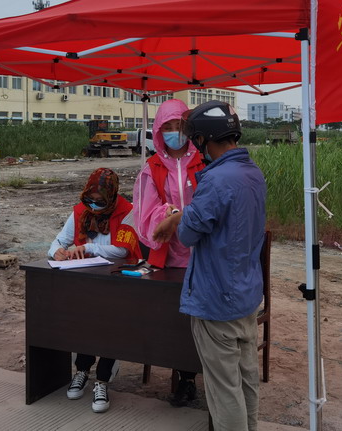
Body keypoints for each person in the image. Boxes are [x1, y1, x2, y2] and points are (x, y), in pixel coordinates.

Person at [152, 100, 266, 431]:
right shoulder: (252, 173)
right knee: (246, 379)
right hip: (246, 294)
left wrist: (176, 217)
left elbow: (189, 235)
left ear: (203, 139)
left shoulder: (215, 180)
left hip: (216, 300)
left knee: (223, 389)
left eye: (195, 138)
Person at [48, 167, 141, 413]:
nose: (94, 205)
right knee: (84, 325)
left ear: (112, 196)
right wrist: (57, 251)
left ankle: (102, 380)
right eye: (90, 199)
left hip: (116, 284)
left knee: (109, 328)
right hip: (86, 282)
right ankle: (81, 371)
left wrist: (89, 248)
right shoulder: (80, 210)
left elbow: (122, 250)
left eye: (100, 201)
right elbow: (59, 240)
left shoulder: (128, 211)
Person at [132, 98, 204, 406]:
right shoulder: (152, 168)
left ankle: (192, 376)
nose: (175, 132)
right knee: (174, 319)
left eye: (180, 126)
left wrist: (183, 217)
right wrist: (170, 213)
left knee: (200, 319)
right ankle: (182, 378)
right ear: (159, 131)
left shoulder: (204, 160)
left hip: (203, 254)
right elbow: (144, 214)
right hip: (170, 256)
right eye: (169, 127)